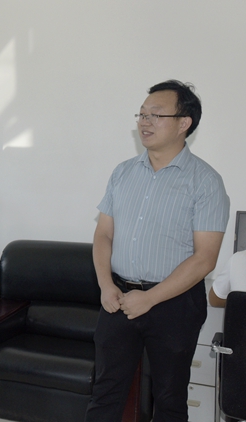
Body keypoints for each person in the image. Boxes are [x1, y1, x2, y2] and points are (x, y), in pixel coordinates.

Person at [85, 80, 230, 421]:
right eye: (142, 114)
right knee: (105, 392)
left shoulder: (206, 182)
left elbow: (205, 258)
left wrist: (150, 299)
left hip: (175, 304)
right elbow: (103, 234)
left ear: (184, 123)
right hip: (118, 297)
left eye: (156, 114)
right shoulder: (123, 172)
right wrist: (106, 285)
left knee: (169, 398)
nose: (145, 122)